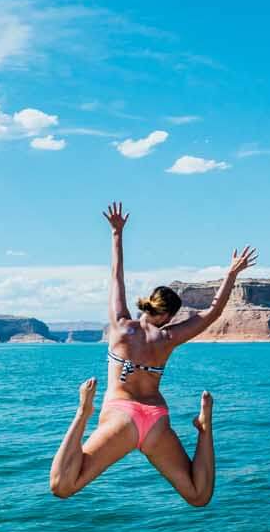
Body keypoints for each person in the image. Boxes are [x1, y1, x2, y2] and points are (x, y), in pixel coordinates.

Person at [49, 202, 256, 506]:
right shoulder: (170, 337)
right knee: (198, 496)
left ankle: (83, 413)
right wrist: (231, 274)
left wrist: (116, 235)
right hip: (157, 420)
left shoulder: (121, 327)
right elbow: (213, 313)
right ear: (170, 316)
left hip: (122, 417)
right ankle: (204, 428)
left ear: (148, 304)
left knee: (61, 486)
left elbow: (116, 279)